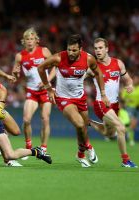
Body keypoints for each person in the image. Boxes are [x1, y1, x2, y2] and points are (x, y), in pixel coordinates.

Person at [38, 34, 110, 168]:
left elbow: (99, 73)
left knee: (82, 128)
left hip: (80, 97)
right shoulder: (59, 57)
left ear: (80, 49)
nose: (71, 53)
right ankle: (88, 147)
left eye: (74, 50)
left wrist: (104, 94)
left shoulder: (88, 59)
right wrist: (48, 88)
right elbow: (40, 68)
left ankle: (80, 155)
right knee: (79, 123)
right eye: (69, 49)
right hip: (63, 98)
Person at [87, 38, 137, 168]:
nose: (98, 51)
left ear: (107, 49)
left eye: (100, 48)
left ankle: (88, 122)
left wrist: (130, 85)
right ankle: (125, 160)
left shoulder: (118, 63)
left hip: (114, 105)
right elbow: (76, 77)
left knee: (108, 133)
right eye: (96, 48)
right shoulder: (93, 67)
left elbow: (128, 79)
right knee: (121, 127)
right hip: (100, 104)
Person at [12, 28, 55, 154]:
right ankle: (28, 147)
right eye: (27, 39)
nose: (29, 41)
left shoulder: (44, 51)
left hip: (45, 90)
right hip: (32, 91)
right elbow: (15, 74)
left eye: (32, 39)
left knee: (45, 118)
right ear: (23, 41)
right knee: (26, 120)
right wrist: (15, 74)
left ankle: (43, 148)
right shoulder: (19, 56)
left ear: (36, 40)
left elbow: (56, 67)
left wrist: (47, 81)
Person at [120, 75, 139, 146]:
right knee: (131, 123)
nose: (136, 80)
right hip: (129, 107)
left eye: (137, 79)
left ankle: (123, 134)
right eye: (135, 79)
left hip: (137, 108)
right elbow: (122, 97)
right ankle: (131, 140)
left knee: (134, 125)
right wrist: (128, 100)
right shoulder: (129, 88)